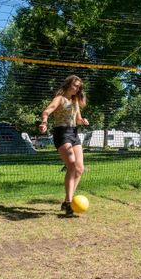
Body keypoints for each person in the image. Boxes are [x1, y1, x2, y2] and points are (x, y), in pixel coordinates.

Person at [39, 75, 89, 216]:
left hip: (74, 133)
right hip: (61, 133)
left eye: (79, 87)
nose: (77, 89)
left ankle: (67, 201)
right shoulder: (59, 99)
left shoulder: (75, 101)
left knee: (79, 168)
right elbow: (47, 111)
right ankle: (68, 202)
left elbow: (77, 120)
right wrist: (44, 122)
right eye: (75, 85)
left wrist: (83, 120)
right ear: (68, 85)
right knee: (71, 165)